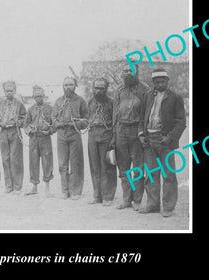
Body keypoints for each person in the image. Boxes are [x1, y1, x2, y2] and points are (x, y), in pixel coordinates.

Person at [138, 68, 186, 217]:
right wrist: (141, 134)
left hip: (165, 141)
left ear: (167, 81)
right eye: (157, 82)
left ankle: (168, 207)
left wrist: (170, 138)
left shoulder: (175, 97)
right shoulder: (147, 96)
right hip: (149, 141)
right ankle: (152, 205)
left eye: (163, 81)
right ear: (153, 83)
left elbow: (181, 122)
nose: (160, 84)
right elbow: (141, 118)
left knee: (169, 175)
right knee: (151, 174)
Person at [110, 64, 150, 210]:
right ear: (122, 74)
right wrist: (114, 135)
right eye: (125, 71)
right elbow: (115, 113)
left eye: (131, 71)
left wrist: (143, 132)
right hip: (121, 130)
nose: (128, 74)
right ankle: (126, 199)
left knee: (138, 167)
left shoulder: (145, 89)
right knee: (123, 167)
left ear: (137, 72)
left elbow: (146, 113)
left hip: (137, 130)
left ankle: (137, 200)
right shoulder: (119, 90)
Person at [52, 77, 88, 200]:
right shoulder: (58, 102)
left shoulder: (81, 101)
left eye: (71, 84)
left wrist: (75, 124)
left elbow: (86, 120)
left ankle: (75, 191)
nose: (68, 87)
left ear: (75, 86)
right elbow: (53, 119)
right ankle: (65, 190)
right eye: (66, 85)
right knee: (62, 164)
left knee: (75, 163)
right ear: (63, 86)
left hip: (74, 134)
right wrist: (59, 124)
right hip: (61, 135)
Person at [87, 78, 117, 206]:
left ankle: (108, 196)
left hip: (107, 136)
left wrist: (113, 139)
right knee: (95, 167)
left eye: (101, 88)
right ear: (93, 89)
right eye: (96, 88)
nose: (99, 91)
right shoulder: (90, 102)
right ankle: (97, 195)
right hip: (93, 136)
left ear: (106, 88)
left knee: (107, 167)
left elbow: (116, 122)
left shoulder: (112, 102)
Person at [0, 81, 27, 195]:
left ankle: (17, 186)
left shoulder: (19, 104)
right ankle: (8, 186)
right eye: (7, 91)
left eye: (11, 91)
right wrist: (0, 123)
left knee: (16, 159)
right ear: (4, 91)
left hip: (15, 132)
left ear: (15, 91)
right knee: (5, 159)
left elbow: (25, 118)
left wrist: (19, 122)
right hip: (4, 132)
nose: (9, 93)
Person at [23, 85, 55, 197]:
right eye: (36, 96)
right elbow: (25, 125)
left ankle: (47, 188)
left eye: (40, 96)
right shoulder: (30, 109)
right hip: (34, 139)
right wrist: (29, 131)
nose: (38, 98)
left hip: (45, 138)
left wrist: (50, 131)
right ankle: (34, 187)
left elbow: (55, 124)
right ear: (33, 97)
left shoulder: (50, 109)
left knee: (47, 162)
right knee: (33, 162)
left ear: (44, 96)